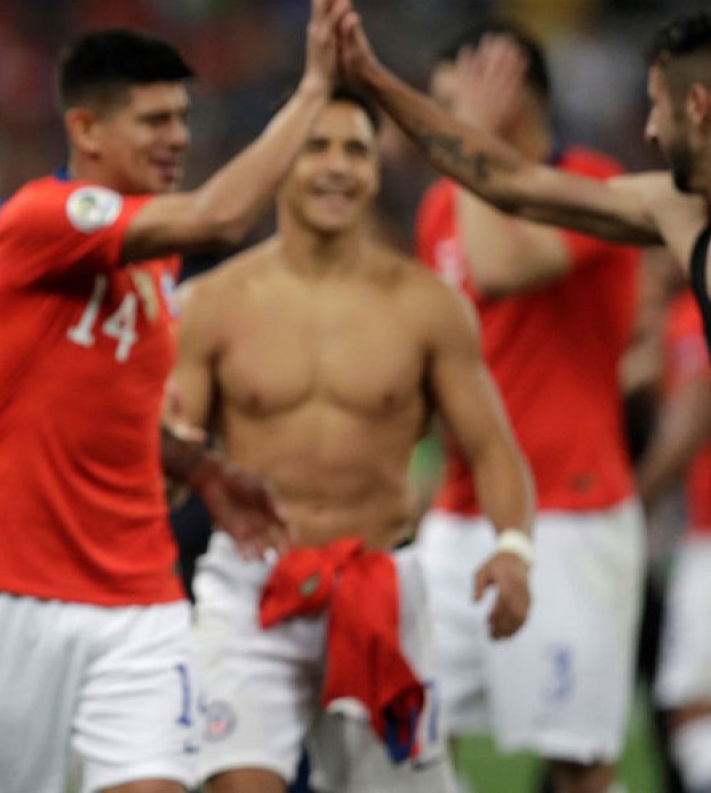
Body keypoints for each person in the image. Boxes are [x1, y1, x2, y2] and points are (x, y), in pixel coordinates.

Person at [0, 0, 345, 793]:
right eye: (154, 120)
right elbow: (224, 215)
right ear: (87, 130)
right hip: (6, 592)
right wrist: (313, 92)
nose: (179, 138)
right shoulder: (43, 219)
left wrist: (201, 470)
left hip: (139, 597)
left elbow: (105, 409)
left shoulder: (151, 261)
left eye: (183, 117)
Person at [170, 88, 535, 792]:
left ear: (375, 170)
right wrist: (175, 465)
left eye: (356, 150)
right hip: (253, 584)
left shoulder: (429, 306)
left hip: (380, 583)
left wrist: (514, 551)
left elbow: (491, 448)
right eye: (316, 147)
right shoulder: (210, 305)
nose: (336, 167)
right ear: (281, 163)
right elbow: (168, 445)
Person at [409, 23, 643, 791]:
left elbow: (503, 266)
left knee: (575, 760)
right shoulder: (439, 208)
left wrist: (472, 144)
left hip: (570, 510)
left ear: (514, 102)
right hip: (457, 513)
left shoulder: (591, 182)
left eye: (456, 108)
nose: (439, 130)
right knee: (398, 725)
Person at [327, 0, 711, 363]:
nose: (650, 130)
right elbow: (510, 184)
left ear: (697, 106)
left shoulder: (610, 179)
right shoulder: (675, 208)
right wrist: (372, 77)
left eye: (658, 108)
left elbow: (500, 266)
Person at [636, 287, 711, 793]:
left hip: (708, 536)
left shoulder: (697, 309)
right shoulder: (676, 317)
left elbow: (694, 415)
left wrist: (631, 499)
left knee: (692, 702)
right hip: (698, 528)